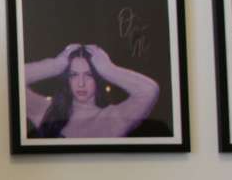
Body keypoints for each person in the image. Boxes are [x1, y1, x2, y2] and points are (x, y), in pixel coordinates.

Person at [25, 44, 159, 138]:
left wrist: (108, 69)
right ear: (67, 79)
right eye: (74, 75)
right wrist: (55, 65)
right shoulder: (47, 111)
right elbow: (14, 80)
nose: (81, 83)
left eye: (89, 75)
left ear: (98, 78)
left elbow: (149, 91)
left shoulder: (112, 118)